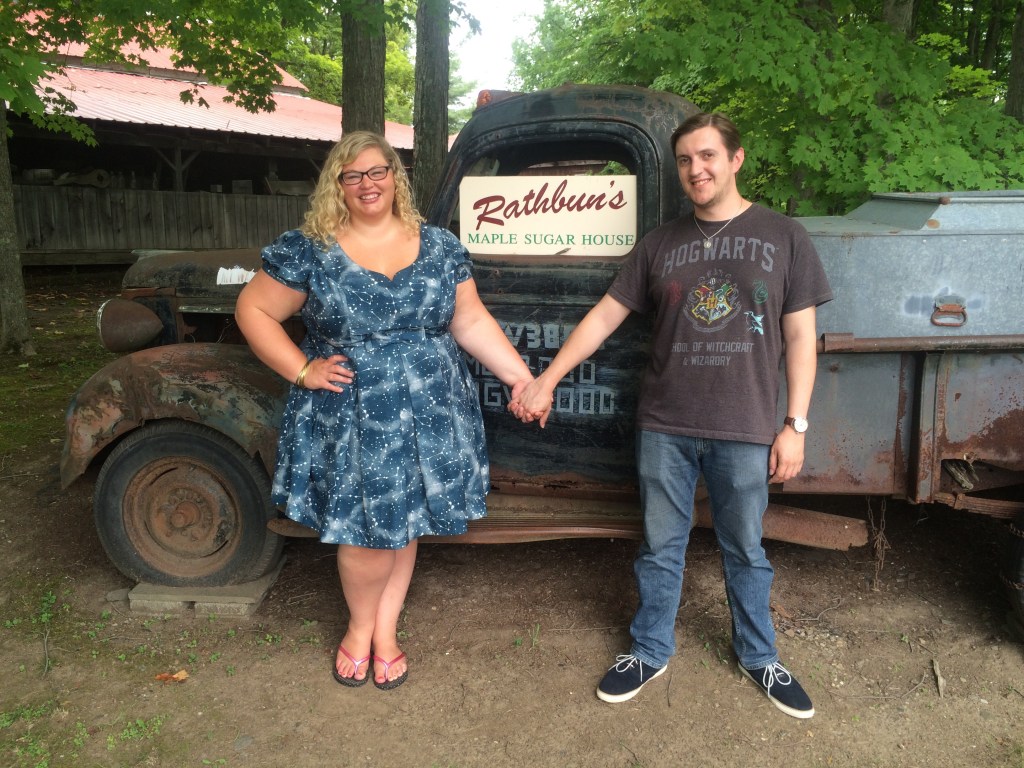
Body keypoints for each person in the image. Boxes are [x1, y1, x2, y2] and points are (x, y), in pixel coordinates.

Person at [509, 113, 832, 718]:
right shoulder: (660, 243)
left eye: (707, 156)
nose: (695, 170)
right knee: (660, 547)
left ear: (735, 158)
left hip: (745, 425)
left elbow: (800, 338)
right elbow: (605, 317)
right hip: (664, 425)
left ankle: (760, 656)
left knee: (746, 549)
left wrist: (796, 425)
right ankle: (650, 650)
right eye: (685, 160)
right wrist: (546, 379)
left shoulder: (784, 236)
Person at [236, 131, 535, 690]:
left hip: (431, 407)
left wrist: (520, 378)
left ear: (396, 176)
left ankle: (385, 630)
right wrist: (302, 369)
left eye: (378, 171)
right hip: (354, 412)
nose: (367, 184)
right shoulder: (312, 248)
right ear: (338, 185)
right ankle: (358, 629)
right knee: (365, 530)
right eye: (353, 176)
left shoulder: (439, 246)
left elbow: (469, 320)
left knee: (404, 521)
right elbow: (253, 309)